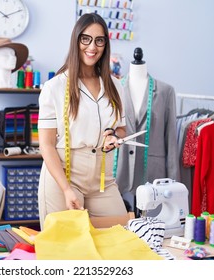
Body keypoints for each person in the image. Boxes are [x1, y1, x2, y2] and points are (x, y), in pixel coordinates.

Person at [37, 13, 128, 230]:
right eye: (85, 39)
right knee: (66, 248)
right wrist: (67, 189)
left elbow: (122, 129)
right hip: (65, 177)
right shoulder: (55, 87)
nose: (92, 47)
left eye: (99, 40)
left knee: (121, 237)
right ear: (76, 40)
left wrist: (114, 136)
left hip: (103, 181)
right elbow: (46, 145)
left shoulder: (116, 86)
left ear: (105, 44)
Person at [115, 48, 180, 213]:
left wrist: (174, 182)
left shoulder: (166, 92)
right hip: (119, 168)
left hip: (153, 172)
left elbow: (171, 140)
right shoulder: (114, 89)